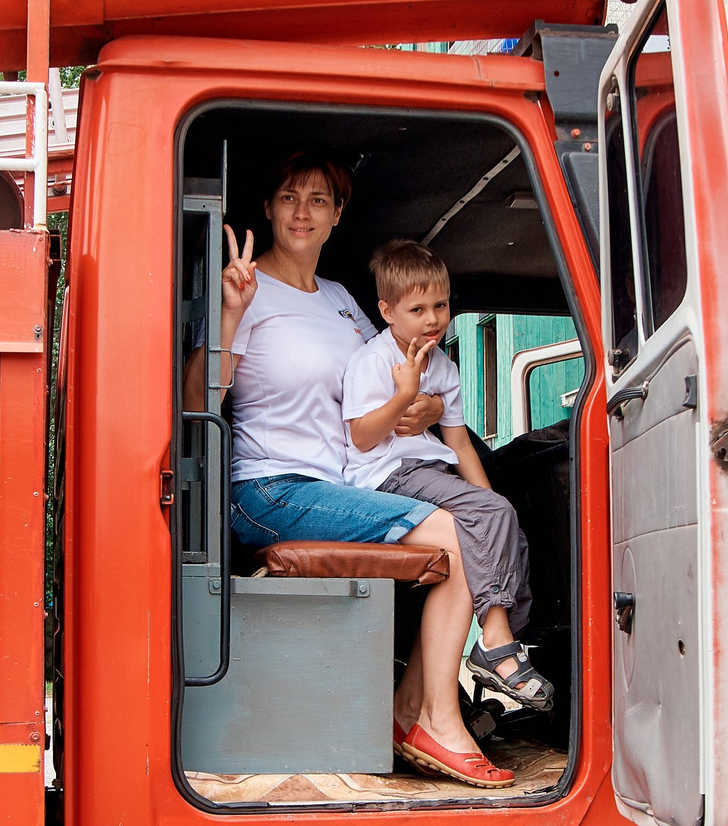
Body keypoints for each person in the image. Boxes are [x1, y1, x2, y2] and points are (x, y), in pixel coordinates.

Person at [206, 152, 515, 788]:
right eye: (289, 197)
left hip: (342, 485)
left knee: (475, 529)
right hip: (269, 487)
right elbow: (198, 399)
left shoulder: (342, 300)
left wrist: (430, 405)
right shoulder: (246, 289)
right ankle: (437, 720)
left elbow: (392, 376)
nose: (302, 212)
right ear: (267, 208)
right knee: (461, 536)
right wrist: (230, 313)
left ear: (337, 214)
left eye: (318, 200)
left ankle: (410, 710)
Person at [340, 239, 553, 727]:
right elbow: (362, 438)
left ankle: (504, 640)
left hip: (429, 474)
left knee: (505, 523)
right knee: (493, 516)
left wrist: (492, 503)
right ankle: (495, 642)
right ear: (387, 312)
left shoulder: (445, 366)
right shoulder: (372, 360)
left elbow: (459, 444)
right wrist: (404, 395)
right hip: (384, 479)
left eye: (441, 306)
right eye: (417, 310)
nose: (433, 319)